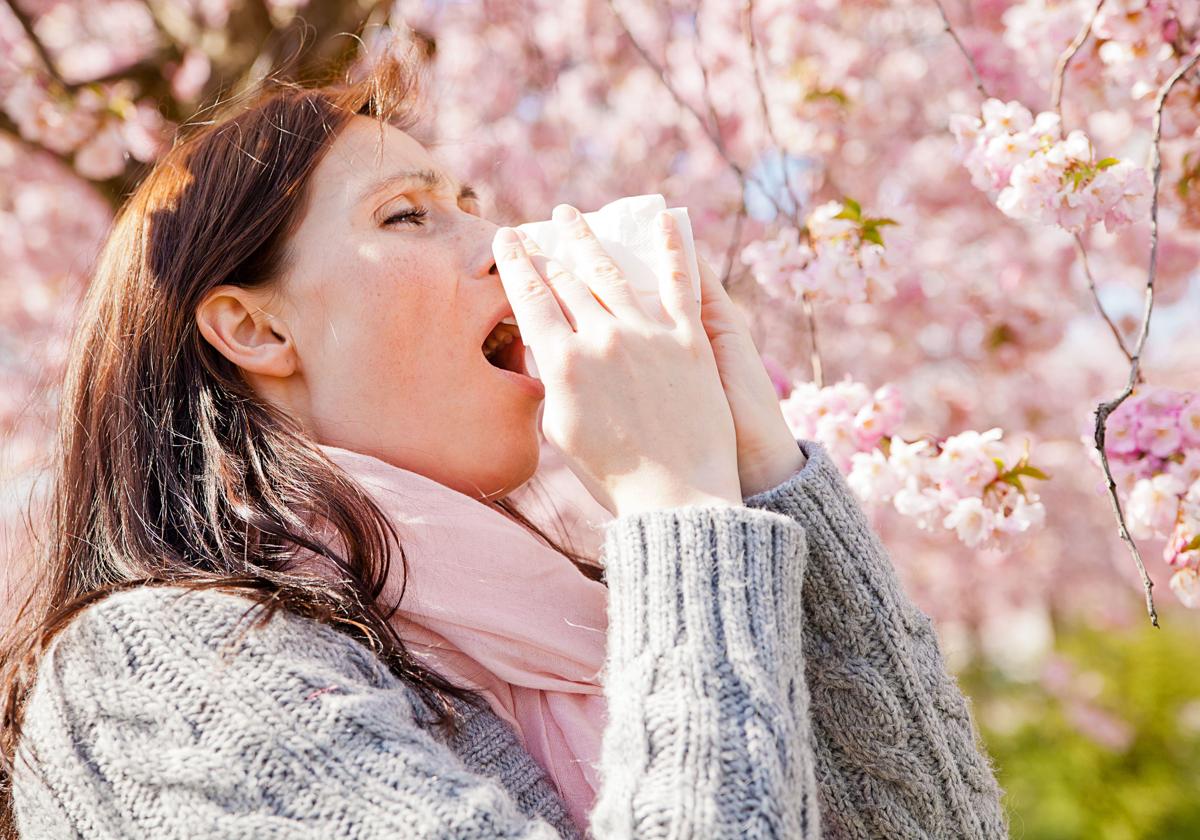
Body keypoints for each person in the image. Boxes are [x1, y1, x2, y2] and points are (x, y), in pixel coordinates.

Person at [0, 52, 1009, 839]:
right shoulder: (153, 678)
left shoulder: (595, 612)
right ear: (259, 329)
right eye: (408, 215)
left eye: (475, 206)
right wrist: (680, 513)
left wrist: (763, 475)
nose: (505, 245)